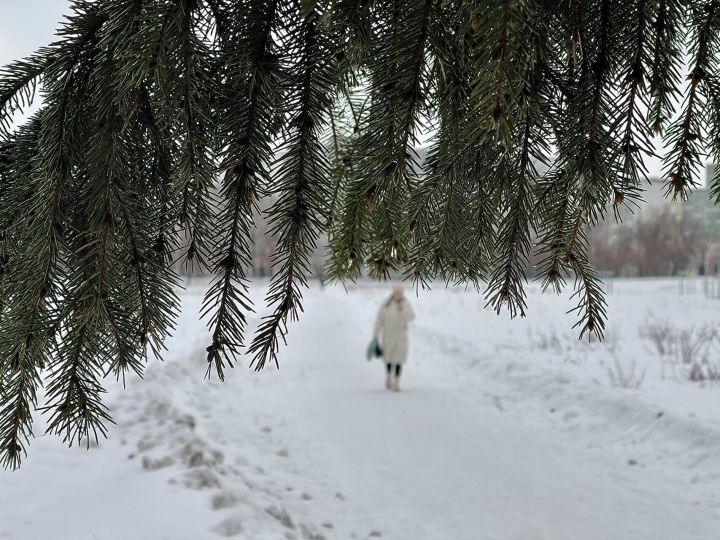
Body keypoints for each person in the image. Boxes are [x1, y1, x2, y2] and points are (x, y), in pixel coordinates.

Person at [372, 285, 415, 392]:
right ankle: (388, 377)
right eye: (396, 292)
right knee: (389, 358)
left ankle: (397, 383)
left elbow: (411, 317)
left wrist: (402, 311)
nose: (397, 295)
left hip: (401, 337)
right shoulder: (386, 304)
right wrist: (375, 336)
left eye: (399, 293)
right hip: (388, 336)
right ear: (393, 293)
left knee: (399, 359)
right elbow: (379, 321)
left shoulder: (405, 304)